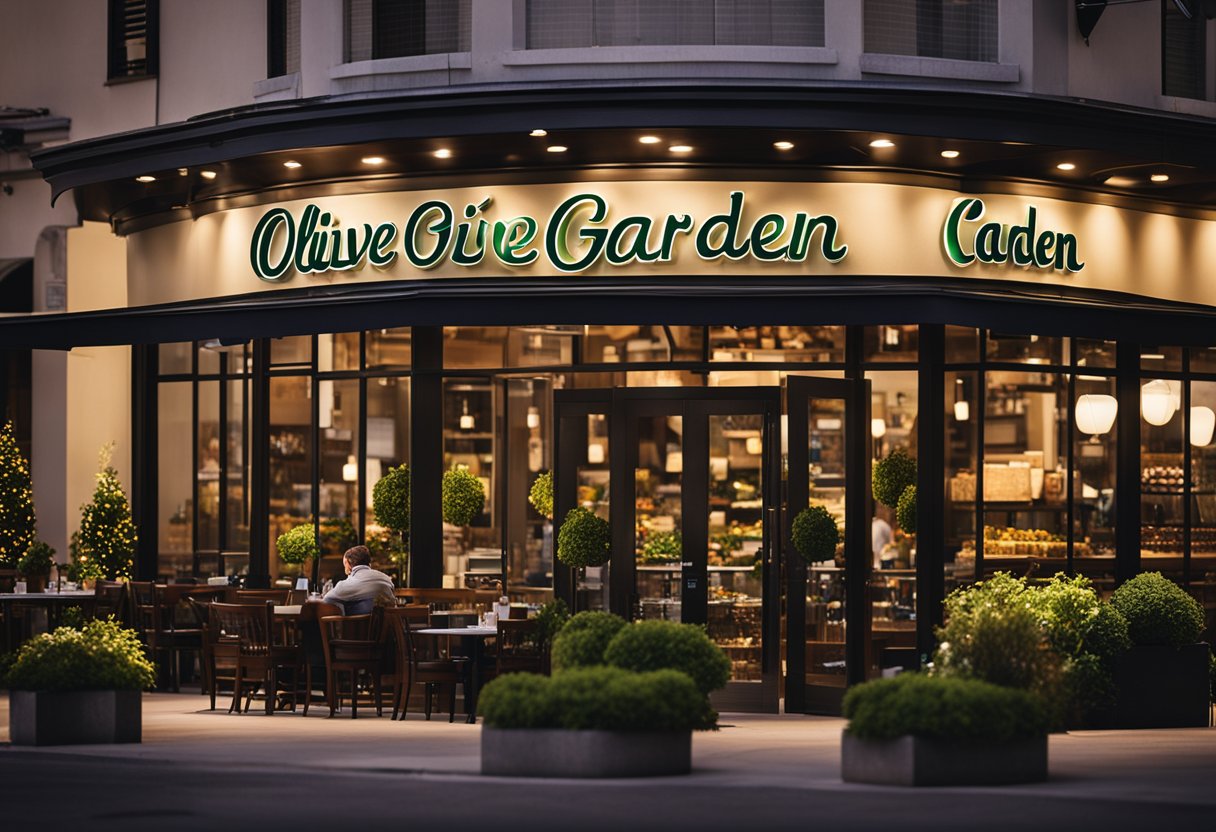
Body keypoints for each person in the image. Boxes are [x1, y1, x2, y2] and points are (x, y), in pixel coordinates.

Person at [322, 545, 395, 615]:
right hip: (389, 626)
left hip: (359, 627)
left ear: (347, 563)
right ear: (369, 563)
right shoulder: (386, 578)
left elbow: (326, 600)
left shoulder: (347, 584)